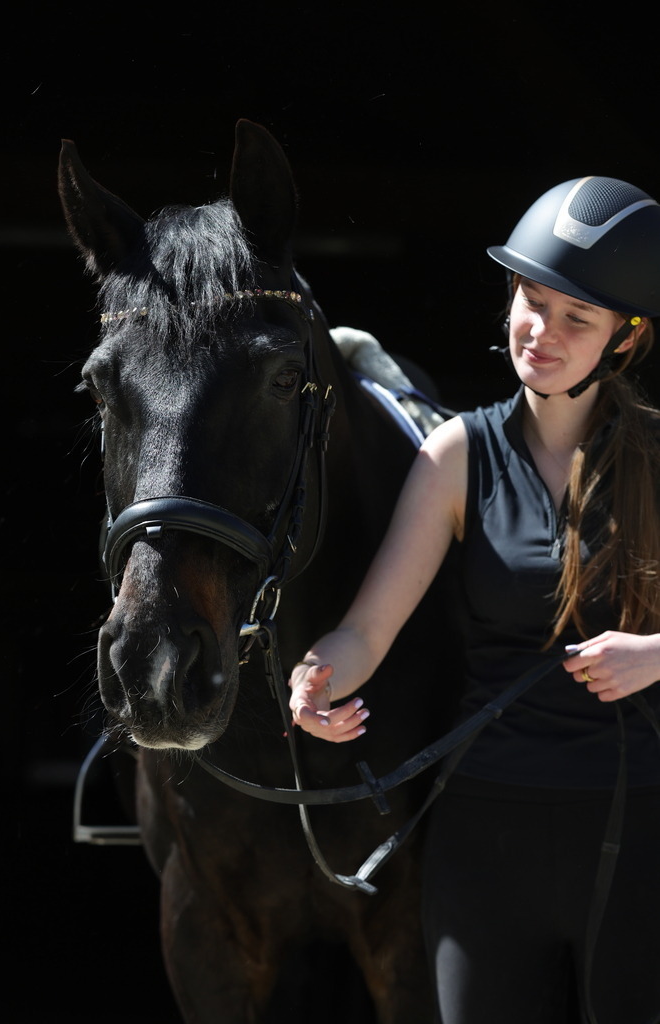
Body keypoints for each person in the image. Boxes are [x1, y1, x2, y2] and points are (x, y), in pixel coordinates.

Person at [288, 175, 660, 1024]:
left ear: (626, 336)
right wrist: (316, 680)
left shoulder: (655, 459)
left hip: (636, 829)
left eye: (576, 318)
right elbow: (366, 630)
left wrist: (653, 656)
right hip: (485, 836)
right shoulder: (455, 455)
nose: (541, 331)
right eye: (532, 301)